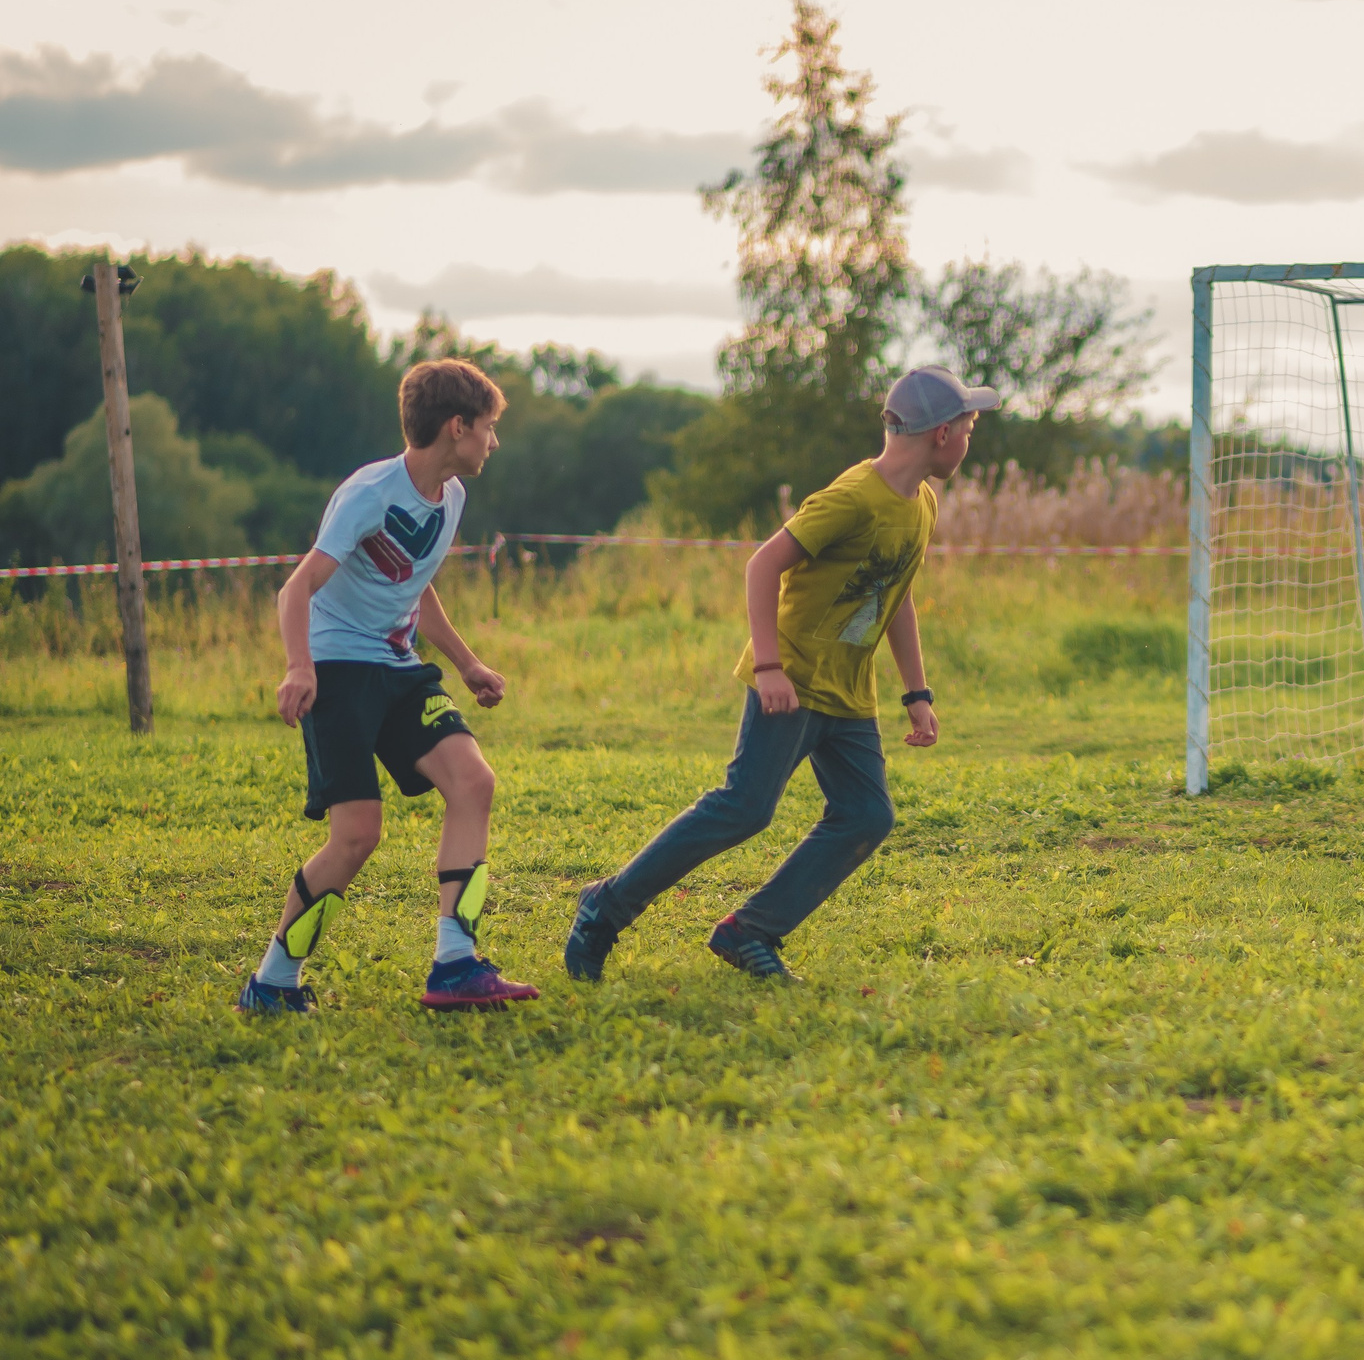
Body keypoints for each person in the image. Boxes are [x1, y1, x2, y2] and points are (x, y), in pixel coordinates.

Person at [562, 365, 996, 984]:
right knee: (744, 807)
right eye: (971, 429)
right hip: (790, 680)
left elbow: (895, 594)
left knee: (867, 814)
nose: (970, 441)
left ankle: (751, 930)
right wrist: (768, 667)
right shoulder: (854, 498)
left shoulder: (921, 502)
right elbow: (763, 565)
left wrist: (916, 692)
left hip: (848, 693)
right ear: (944, 434)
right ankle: (605, 907)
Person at [237, 358, 535, 1015]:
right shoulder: (369, 494)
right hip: (338, 670)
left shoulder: (451, 496)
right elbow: (297, 589)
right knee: (356, 836)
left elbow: (414, 583)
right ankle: (272, 982)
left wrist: (467, 664)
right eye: (488, 428)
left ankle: (456, 964)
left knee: (474, 781)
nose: (493, 442)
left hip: (400, 670)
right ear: (457, 428)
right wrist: (299, 667)